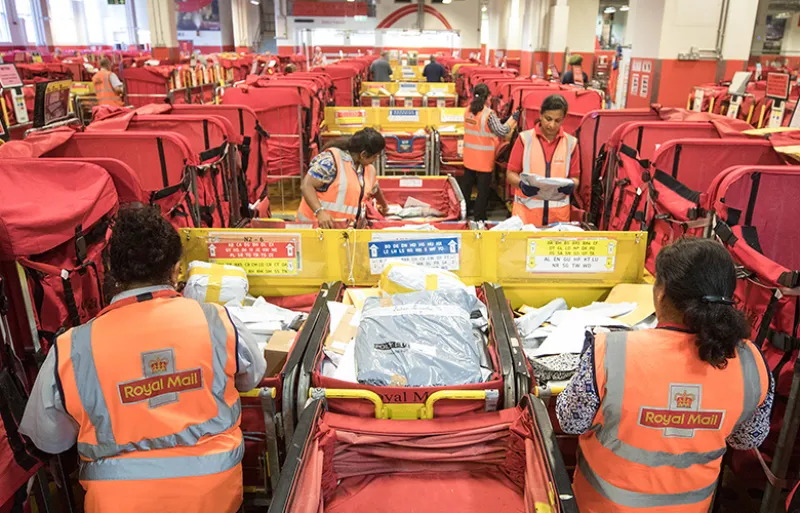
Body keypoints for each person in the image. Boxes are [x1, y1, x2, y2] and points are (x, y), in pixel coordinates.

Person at [19, 207, 267, 513]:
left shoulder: (72, 348)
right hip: (215, 498)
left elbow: (49, 439)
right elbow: (253, 376)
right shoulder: (217, 321)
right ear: (176, 270)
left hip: (117, 504)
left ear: (111, 270)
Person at [556, 238, 773, 513]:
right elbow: (748, 439)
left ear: (661, 293)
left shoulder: (610, 351)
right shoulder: (751, 362)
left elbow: (570, 421)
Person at [506, 94, 577, 226]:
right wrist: (521, 185)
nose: (552, 125)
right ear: (540, 115)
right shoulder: (525, 139)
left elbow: (575, 178)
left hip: (557, 220)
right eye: (548, 119)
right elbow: (510, 174)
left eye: (557, 120)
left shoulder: (571, 143)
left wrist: (571, 185)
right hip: (526, 218)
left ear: (564, 119)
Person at [297, 127, 389, 228]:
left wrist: (384, 206)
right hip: (314, 227)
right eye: (374, 157)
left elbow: (374, 189)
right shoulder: (331, 161)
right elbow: (307, 185)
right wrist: (320, 212)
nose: (375, 160)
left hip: (341, 231)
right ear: (363, 154)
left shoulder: (368, 170)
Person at [461, 83, 517, 221]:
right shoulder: (489, 114)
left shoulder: (468, 110)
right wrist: (513, 119)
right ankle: (479, 217)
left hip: (469, 157)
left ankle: (463, 213)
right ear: (488, 97)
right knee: (483, 190)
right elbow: (502, 131)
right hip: (483, 160)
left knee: (466, 188)